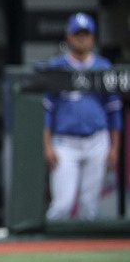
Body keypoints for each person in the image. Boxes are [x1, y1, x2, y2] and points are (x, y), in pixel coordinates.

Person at [43, 12, 122, 220]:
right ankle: (51, 251)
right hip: (64, 142)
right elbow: (46, 111)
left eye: (86, 34)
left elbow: (114, 110)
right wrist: (47, 145)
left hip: (97, 140)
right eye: (77, 33)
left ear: (93, 37)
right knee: (62, 204)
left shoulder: (103, 67)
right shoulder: (56, 66)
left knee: (89, 208)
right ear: (68, 36)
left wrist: (114, 147)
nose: (81, 38)